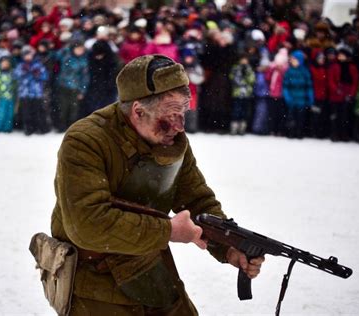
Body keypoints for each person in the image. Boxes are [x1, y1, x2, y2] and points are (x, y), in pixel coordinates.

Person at [50, 55, 265, 315]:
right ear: (138, 111)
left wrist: (228, 246)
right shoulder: (86, 141)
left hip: (149, 267)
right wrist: (167, 232)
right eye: (170, 114)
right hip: (93, 279)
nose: (179, 125)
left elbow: (197, 201)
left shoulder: (172, 138)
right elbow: (86, 224)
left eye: (183, 112)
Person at [283, 50, 314, 139]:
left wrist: (310, 97)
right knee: (291, 117)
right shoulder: (289, 72)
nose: (292, 61)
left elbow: (309, 87)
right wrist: (287, 97)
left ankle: (299, 132)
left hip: (302, 99)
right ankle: (291, 133)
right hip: (292, 99)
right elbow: (285, 86)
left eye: (294, 59)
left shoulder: (305, 72)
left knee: (301, 118)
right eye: (292, 59)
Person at [0, 56, 14, 133]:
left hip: (10, 97)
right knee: (1, 113)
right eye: (3, 64)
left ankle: (7, 127)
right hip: (2, 97)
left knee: (9, 113)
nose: (5, 65)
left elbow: (14, 85)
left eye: (7, 64)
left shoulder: (12, 73)